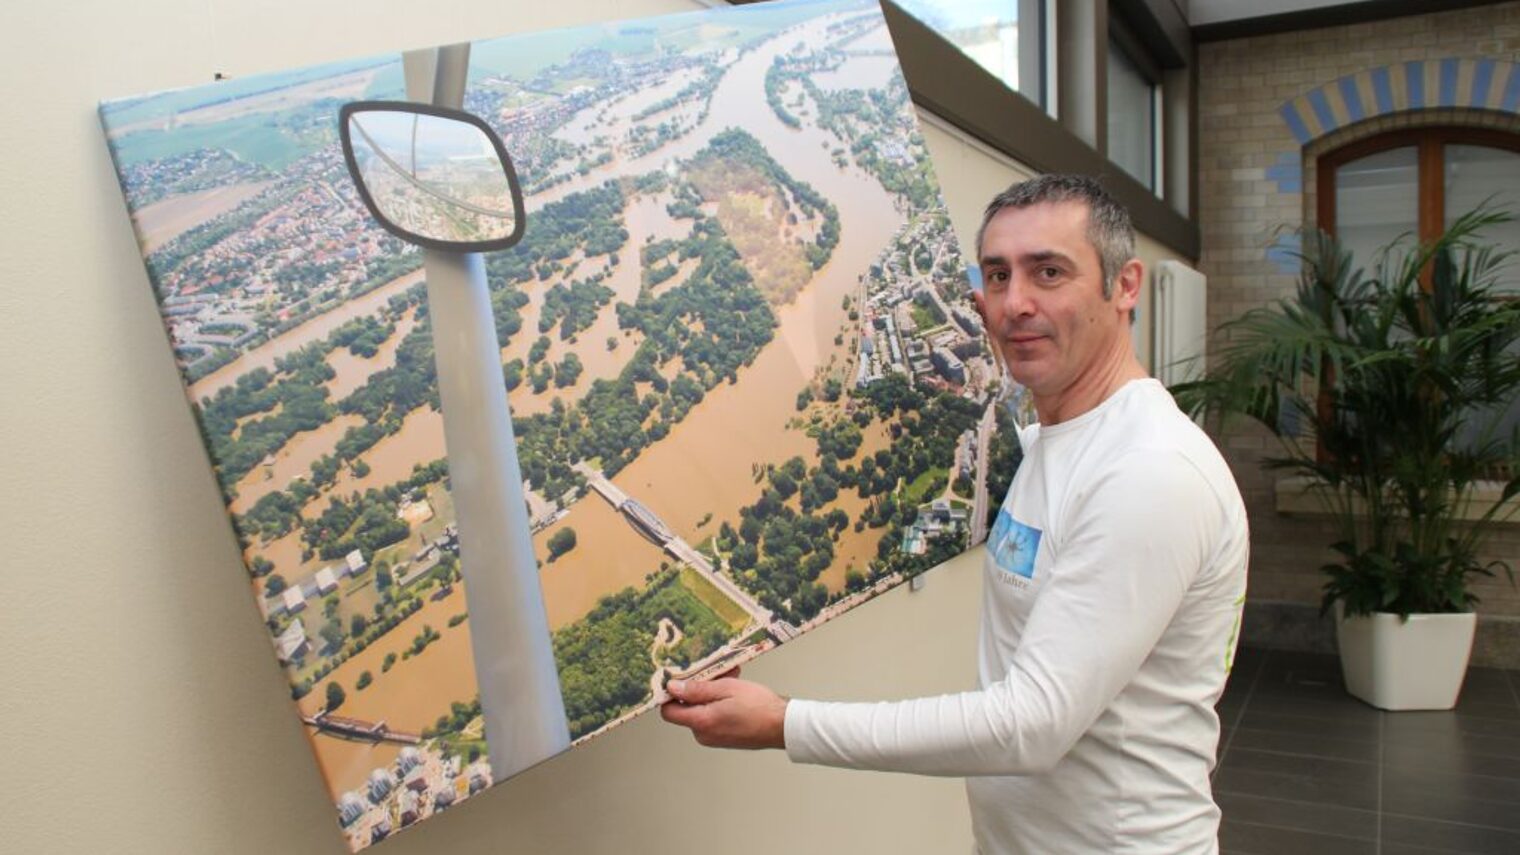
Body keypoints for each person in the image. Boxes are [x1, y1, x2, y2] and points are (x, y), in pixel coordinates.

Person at [661, 174, 1249, 854]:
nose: (1015, 302)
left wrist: (782, 723)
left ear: (1125, 286)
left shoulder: (1149, 471)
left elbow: (1029, 724)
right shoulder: (1044, 445)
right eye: (997, 277)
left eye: (1049, 272)